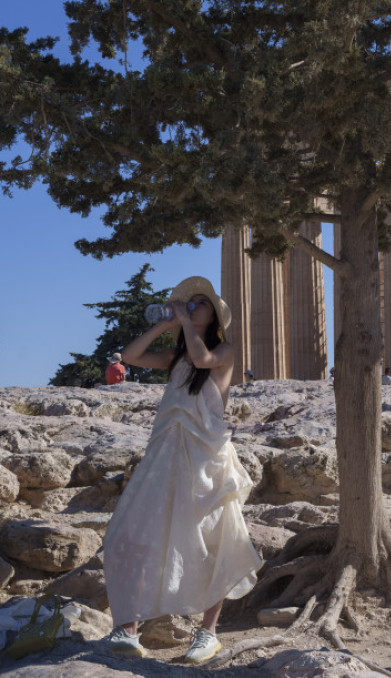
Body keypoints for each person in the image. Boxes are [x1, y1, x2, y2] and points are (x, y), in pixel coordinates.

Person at [99, 277, 260, 663]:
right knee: (134, 530)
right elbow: (130, 355)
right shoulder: (176, 358)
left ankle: (208, 632)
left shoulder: (224, 350)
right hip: (165, 456)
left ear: (214, 316)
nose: (192, 307)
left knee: (215, 538)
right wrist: (165, 324)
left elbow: (203, 360)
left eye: (200, 303)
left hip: (207, 457)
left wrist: (186, 326)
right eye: (190, 303)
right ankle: (128, 628)